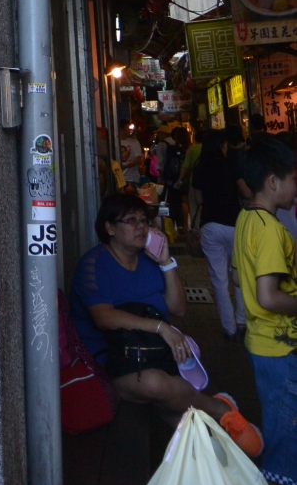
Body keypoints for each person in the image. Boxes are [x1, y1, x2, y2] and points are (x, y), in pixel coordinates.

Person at [69, 193, 262, 452]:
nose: (141, 226)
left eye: (144, 220)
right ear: (110, 228)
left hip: (152, 354)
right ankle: (219, 409)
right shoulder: (94, 264)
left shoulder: (149, 260)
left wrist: (166, 262)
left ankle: (211, 450)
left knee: (167, 397)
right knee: (154, 384)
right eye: (131, 220)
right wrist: (162, 328)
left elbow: (178, 308)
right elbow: (104, 317)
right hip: (107, 364)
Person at [232, 138, 297, 485]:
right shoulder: (272, 231)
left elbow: (237, 277)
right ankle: (281, 478)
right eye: (293, 180)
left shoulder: (246, 219)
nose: (296, 189)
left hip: (260, 341)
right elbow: (269, 297)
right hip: (279, 345)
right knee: (286, 423)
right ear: (273, 182)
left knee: (277, 415)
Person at [193, 130, 246, 338]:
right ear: (222, 146)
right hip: (234, 224)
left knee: (219, 280)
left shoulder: (200, 168)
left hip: (210, 226)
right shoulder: (230, 164)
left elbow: (199, 200)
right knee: (239, 273)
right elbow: (246, 192)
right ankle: (242, 320)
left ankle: (229, 328)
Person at [178, 126, 203, 231]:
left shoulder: (192, 149)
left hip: (194, 181)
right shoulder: (210, 148)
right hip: (208, 182)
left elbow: (186, 166)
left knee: (194, 206)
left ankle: (196, 229)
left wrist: (180, 179)